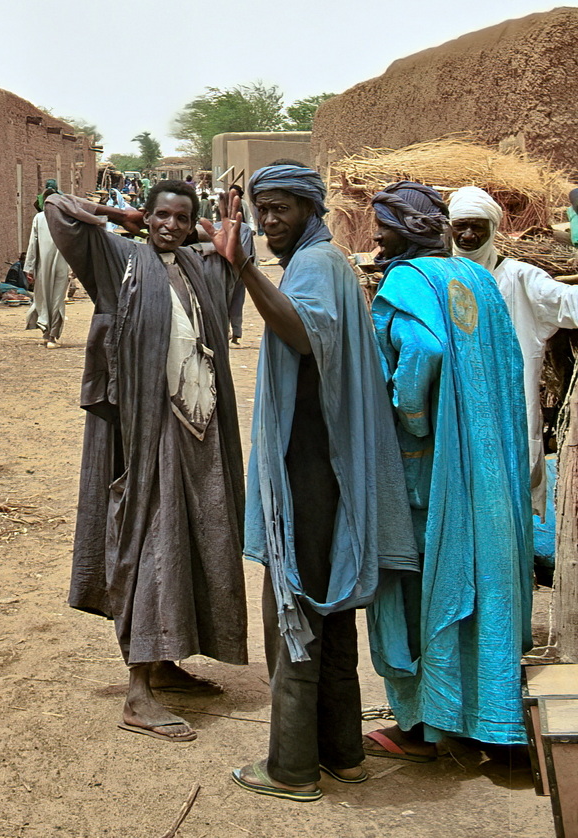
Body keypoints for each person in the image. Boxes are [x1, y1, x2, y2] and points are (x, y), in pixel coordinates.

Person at [211, 164, 417, 801]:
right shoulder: (315, 261)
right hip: (319, 464)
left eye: (281, 208)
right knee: (328, 608)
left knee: (296, 605)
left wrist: (245, 269)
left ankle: (293, 767)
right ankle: (342, 753)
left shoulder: (318, 263)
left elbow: (302, 334)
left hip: (313, 470)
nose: (269, 220)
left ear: (310, 208)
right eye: (262, 210)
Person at [44, 180, 248, 743]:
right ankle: (138, 693)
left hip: (195, 428)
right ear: (147, 215)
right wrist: (119, 214)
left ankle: (164, 662)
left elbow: (236, 255)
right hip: (146, 431)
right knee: (150, 540)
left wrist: (208, 232)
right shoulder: (119, 258)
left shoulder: (196, 266)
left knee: (187, 539)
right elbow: (57, 208)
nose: (170, 225)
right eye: (161, 214)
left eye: (182, 218)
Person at [365, 183, 533, 762]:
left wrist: (408, 417)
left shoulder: (407, 280)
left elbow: (423, 353)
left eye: (383, 227)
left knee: (421, 585)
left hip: (430, 469)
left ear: (405, 230)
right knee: (485, 579)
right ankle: (487, 716)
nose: (376, 238)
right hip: (488, 467)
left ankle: (422, 724)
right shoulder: (478, 278)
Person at [448, 186, 578, 516]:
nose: (468, 235)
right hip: (452, 410)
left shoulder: (520, 278)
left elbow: (567, 303)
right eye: (461, 225)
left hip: (508, 414)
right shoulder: (437, 277)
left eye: (478, 227)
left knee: (507, 502)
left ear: (493, 229)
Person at [25, 192, 70, 348]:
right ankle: (51, 337)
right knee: (57, 299)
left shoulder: (39, 218)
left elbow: (33, 244)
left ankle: (47, 334)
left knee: (44, 298)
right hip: (61, 265)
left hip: (44, 265)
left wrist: (30, 267)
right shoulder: (66, 218)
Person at [223, 184, 256, 345]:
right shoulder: (218, 228)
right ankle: (228, 331)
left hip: (234, 271)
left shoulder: (245, 229)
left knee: (234, 301)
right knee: (230, 301)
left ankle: (235, 332)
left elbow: (248, 252)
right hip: (232, 271)